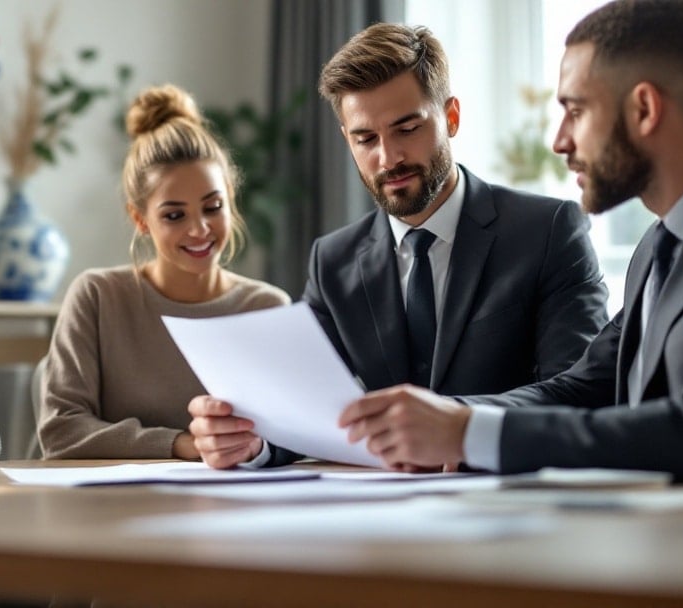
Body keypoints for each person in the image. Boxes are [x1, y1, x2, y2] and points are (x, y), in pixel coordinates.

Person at [333, 0, 683, 480]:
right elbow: (584, 387)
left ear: (644, 109)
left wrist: (467, 433)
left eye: (576, 110)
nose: (560, 141)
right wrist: (441, 421)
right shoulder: (662, 242)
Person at [189, 23, 609, 469]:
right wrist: (252, 442)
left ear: (451, 117)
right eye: (365, 139)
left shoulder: (548, 232)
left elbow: (581, 391)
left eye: (407, 128)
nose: (388, 158)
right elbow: (304, 410)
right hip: (380, 518)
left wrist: (460, 427)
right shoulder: (333, 262)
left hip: (510, 506)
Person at [36, 84, 290, 460]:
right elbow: (61, 431)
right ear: (140, 220)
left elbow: (292, 434)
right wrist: (183, 445)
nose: (199, 229)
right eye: (174, 215)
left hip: (231, 509)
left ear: (230, 201)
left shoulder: (268, 307)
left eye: (213, 207)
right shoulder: (98, 297)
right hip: (109, 511)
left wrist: (254, 449)